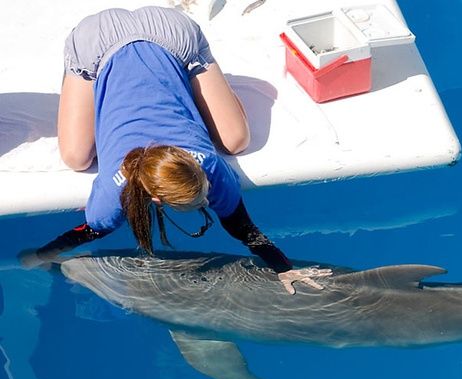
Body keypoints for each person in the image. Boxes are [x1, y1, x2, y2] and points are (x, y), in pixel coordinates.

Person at [25, 6, 329, 294]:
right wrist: (39, 255)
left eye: (204, 192)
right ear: (155, 198)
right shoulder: (113, 193)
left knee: (235, 141)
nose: (210, 195)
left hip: (170, 35)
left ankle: (181, 75)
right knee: (76, 158)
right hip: (101, 42)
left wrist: (283, 267)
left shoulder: (208, 164)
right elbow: (88, 230)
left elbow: (242, 225)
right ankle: (93, 75)